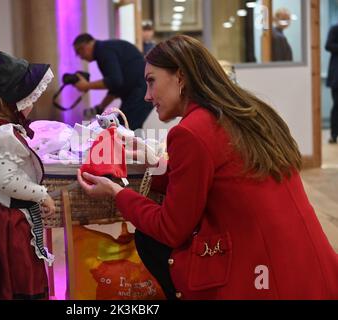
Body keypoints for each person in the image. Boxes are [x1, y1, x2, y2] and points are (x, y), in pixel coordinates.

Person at [77, 35, 338, 299]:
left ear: (180, 77)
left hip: (262, 276)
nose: (146, 95)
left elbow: (170, 228)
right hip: (310, 265)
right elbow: (223, 176)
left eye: (151, 81)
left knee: (150, 239)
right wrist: (155, 164)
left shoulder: (190, 132)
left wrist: (117, 192)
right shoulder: (250, 110)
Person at [0, 51, 56, 300]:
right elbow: (6, 181)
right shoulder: (3, 135)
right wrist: (42, 194)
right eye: (30, 98)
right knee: (18, 278)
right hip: (7, 222)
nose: (33, 103)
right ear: (10, 101)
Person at [73, 33, 153, 130]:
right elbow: (115, 87)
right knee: (125, 129)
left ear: (86, 45)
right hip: (140, 92)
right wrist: (100, 107)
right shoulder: (105, 49)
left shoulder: (103, 51)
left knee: (123, 130)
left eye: (79, 51)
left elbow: (114, 81)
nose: (80, 57)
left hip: (140, 93)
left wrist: (87, 86)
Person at [325, 23, 338, 144]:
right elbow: (328, 45)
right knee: (337, 106)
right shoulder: (335, 28)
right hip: (337, 77)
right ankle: (334, 134)